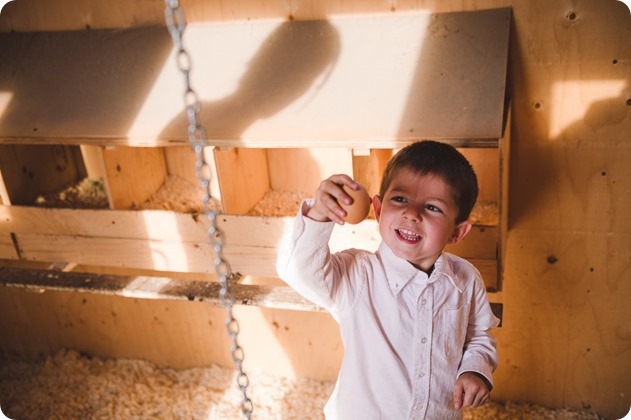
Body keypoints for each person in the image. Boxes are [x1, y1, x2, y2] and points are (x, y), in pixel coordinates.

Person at [276, 140, 499, 419]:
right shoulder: (358, 275)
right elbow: (297, 270)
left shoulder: (465, 279)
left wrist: (475, 370)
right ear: (379, 210)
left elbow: (479, 335)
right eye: (400, 199)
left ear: (457, 232)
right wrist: (321, 214)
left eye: (432, 207)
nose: (412, 213)